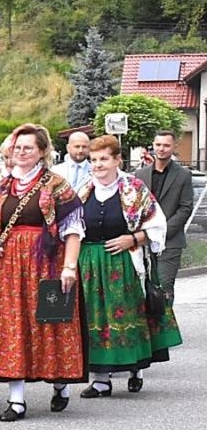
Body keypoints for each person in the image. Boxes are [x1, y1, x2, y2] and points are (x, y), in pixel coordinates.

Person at [0, 123, 86, 420]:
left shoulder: (56, 184)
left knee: (51, 323)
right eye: (17, 147)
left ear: (42, 152)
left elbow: (73, 229)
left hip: (47, 263)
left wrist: (69, 267)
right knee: (12, 327)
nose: (21, 152)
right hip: (10, 268)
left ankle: (60, 383)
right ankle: (16, 400)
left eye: (28, 147)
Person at [76, 134, 182, 397]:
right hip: (90, 264)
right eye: (93, 160)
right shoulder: (84, 190)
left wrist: (132, 238)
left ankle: (136, 369)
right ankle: (100, 380)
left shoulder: (133, 189)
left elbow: (157, 225)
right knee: (95, 319)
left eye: (103, 159)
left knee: (127, 316)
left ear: (117, 160)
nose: (97, 165)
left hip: (124, 263)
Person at [137, 131, 195, 300]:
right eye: (158, 145)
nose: (161, 149)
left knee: (164, 288)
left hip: (170, 241)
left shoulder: (183, 175)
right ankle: (148, 325)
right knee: (143, 289)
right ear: (153, 146)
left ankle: (166, 325)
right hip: (143, 240)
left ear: (173, 147)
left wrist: (162, 232)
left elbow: (185, 208)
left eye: (166, 145)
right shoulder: (140, 175)